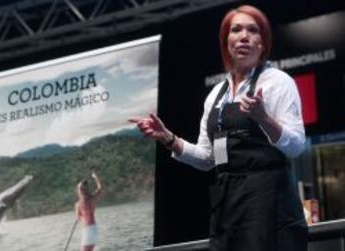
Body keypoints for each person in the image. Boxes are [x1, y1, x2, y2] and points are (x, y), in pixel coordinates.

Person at [129, 5, 307, 251]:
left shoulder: (277, 82)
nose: (244, 36)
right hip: (228, 207)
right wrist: (167, 138)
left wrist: (264, 118)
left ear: (262, 43)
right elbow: (206, 158)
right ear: (227, 43)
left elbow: (296, 145)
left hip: (269, 202)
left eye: (252, 30)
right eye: (236, 30)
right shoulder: (216, 94)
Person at [75, 171, 103, 251]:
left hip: (88, 230)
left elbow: (78, 218)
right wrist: (96, 177)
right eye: (79, 188)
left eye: (80, 188)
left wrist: (78, 213)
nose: (79, 190)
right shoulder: (91, 198)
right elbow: (100, 188)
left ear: (84, 190)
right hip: (93, 229)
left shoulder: (78, 204)